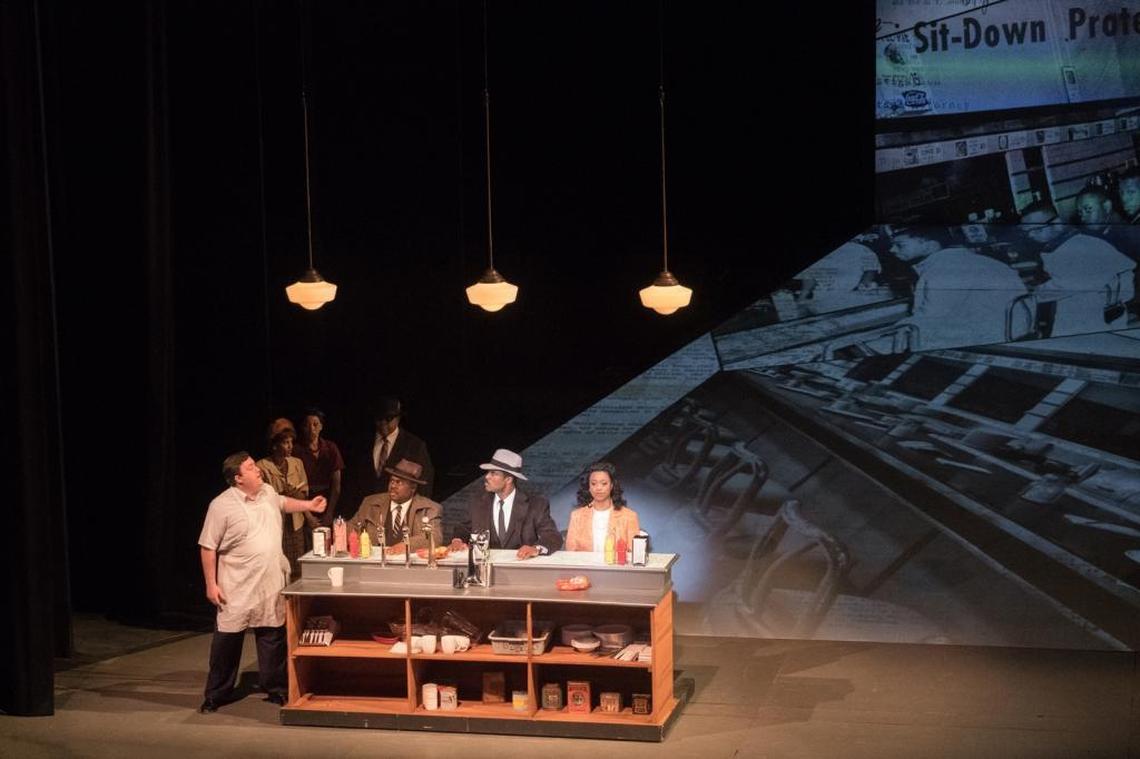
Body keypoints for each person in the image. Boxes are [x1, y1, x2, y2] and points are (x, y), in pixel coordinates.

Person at [198, 451, 326, 713]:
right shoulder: (221, 505)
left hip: (269, 582)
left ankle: (276, 688)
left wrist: (309, 505)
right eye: (250, 467)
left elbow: (282, 502)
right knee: (227, 643)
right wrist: (211, 584)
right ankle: (216, 694)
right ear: (238, 478)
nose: (257, 469)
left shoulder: (267, 491)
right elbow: (208, 546)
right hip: (237, 586)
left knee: (272, 637)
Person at [887, 226, 1028, 348]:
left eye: (900, 245)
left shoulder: (941, 270)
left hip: (988, 337)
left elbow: (930, 319)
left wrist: (889, 332)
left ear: (930, 245)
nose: (892, 250)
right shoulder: (976, 260)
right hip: (1015, 329)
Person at [1020, 201, 1135, 334]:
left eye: (1036, 229)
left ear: (1056, 223)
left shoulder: (1078, 246)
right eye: (1026, 232)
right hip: (1095, 318)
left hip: (1093, 322)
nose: (1031, 235)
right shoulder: (1069, 243)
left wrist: (1034, 291)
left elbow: (1067, 285)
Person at [449, 448, 562, 559]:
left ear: (508, 479)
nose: (487, 477)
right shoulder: (477, 502)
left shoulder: (536, 505)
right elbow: (463, 528)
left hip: (521, 566)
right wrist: (457, 540)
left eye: (493, 473)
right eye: (488, 472)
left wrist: (535, 549)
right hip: (485, 567)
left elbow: (552, 536)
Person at [348, 458, 442, 554]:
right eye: (392, 481)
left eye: (399, 482)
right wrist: (356, 540)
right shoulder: (370, 503)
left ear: (413, 488)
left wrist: (406, 545)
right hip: (374, 559)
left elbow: (435, 537)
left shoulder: (429, 508)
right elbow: (351, 527)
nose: (393, 486)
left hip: (410, 562)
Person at [352, 397, 434, 505]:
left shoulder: (415, 446)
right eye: (379, 419)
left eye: (388, 419)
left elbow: (425, 483)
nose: (383, 423)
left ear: (398, 418)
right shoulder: (362, 443)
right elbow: (354, 480)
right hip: (366, 509)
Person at [255, 419, 310, 579]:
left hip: (296, 523)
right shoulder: (262, 466)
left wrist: (295, 493)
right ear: (275, 445)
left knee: (298, 568)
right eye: (286, 443)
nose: (290, 446)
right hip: (276, 523)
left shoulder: (297, 463)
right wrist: (282, 493)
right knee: (279, 567)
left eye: (291, 442)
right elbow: (261, 499)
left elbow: (305, 494)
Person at [565, 462, 640, 553]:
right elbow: (571, 553)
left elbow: (634, 553)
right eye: (593, 484)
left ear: (612, 485)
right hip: (584, 562)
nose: (598, 488)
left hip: (616, 562)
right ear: (589, 487)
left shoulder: (629, 516)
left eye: (604, 483)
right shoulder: (576, 516)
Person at [295, 408, 344, 528]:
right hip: (305, 502)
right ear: (303, 428)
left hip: (327, 500)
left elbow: (336, 485)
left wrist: (330, 512)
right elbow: (295, 488)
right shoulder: (296, 451)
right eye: (307, 425)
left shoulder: (330, 448)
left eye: (315, 424)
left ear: (321, 426)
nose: (312, 429)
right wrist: (308, 516)